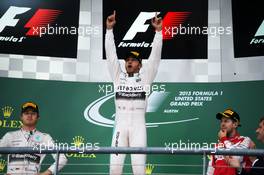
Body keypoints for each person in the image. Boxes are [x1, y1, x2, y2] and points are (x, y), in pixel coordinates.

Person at [105, 10, 163, 175]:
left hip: (139, 127)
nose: (129, 62)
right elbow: (110, 55)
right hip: (120, 127)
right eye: (127, 60)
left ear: (140, 65)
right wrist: (109, 30)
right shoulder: (117, 77)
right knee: (114, 169)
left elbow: (155, 57)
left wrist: (158, 33)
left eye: (133, 60)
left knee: (139, 170)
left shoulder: (145, 78)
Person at [0, 102, 67, 175]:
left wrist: (45, 174)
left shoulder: (45, 137)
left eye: (33, 113)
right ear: (21, 117)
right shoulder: (10, 136)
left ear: (38, 117)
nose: (29, 115)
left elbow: (62, 158)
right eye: (26, 113)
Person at [207, 108, 252, 175]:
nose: (222, 124)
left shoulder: (245, 140)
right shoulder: (217, 145)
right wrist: (223, 140)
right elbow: (210, 171)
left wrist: (224, 139)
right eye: (221, 121)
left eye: (226, 121)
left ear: (235, 124)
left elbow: (236, 159)